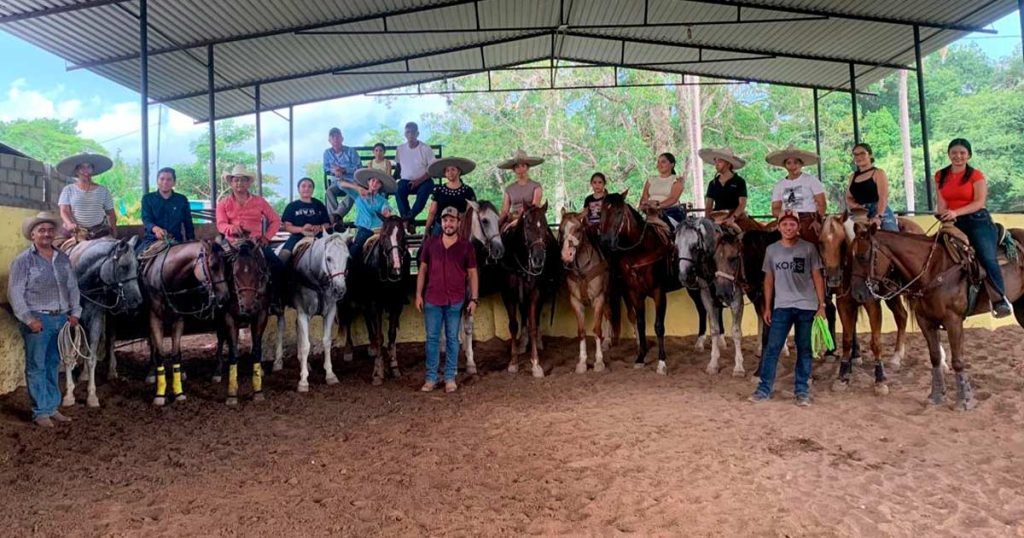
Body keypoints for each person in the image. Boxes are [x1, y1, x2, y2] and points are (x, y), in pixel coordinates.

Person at [8, 212, 81, 427]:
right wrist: (29, 319)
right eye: (41, 230)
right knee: (37, 365)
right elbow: (15, 293)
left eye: (50, 230)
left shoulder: (63, 258)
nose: (46, 234)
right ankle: (40, 411)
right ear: (32, 235)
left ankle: (51, 406)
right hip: (38, 320)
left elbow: (72, 287)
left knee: (53, 364)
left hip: (61, 319)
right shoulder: (23, 261)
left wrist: (75, 312)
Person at [750, 210, 826, 406]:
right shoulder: (772, 250)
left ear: (798, 227)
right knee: (772, 348)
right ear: (778, 226)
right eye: (784, 224)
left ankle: (802, 390)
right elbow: (769, 280)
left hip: (806, 306)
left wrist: (821, 304)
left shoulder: (809, 249)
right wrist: (767, 307)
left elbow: (818, 277)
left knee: (805, 348)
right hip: (782, 306)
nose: (788, 228)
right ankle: (763, 388)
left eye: (792, 224)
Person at [935, 138, 1013, 318]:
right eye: (954, 152)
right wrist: (943, 215)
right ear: (949, 154)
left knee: (987, 257)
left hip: (977, 220)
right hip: (952, 222)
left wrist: (955, 212)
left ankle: (1000, 300)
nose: (958, 156)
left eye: (962, 153)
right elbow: (941, 201)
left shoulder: (975, 175)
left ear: (968, 155)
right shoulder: (940, 175)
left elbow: (979, 202)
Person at [416, 206, 479, 393]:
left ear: (458, 223)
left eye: (452, 220)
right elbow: (422, 270)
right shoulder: (430, 244)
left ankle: (450, 377)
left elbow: (473, 274)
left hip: (456, 299)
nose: (448, 224)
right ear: (441, 222)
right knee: (432, 338)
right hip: (433, 299)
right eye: (445, 220)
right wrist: (419, 294)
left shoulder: (466, 246)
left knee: (453, 338)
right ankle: (431, 378)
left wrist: (474, 299)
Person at [215, 164, 284, 303]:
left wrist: (266, 237)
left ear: (248, 182)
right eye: (236, 180)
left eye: (243, 180)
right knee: (215, 266)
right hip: (232, 243)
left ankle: (276, 301)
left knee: (278, 266)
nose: (239, 183)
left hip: (255, 243)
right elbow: (221, 225)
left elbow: (276, 220)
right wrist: (232, 228)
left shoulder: (259, 201)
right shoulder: (223, 203)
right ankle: (218, 301)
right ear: (231, 182)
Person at [768, 144, 826, 242]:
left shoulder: (811, 180)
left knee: (811, 239)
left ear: (801, 164)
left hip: (808, 218)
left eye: (796, 162)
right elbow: (775, 208)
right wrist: (786, 216)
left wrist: (817, 220)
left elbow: (822, 203)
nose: (792, 166)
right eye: (789, 163)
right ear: (785, 165)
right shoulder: (780, 185)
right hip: (787, 218)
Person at [340, 168, 397, 263]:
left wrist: (386, 213)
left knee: (395, 246)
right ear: (368, 182)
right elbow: (341, 184)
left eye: (378, 182)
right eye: (373, 180)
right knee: (355, 250)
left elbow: (386, 209)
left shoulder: (382, 200)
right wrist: (357, 188)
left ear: (380, 186)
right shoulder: (358, 194)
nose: (375, 183)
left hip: (379, 230)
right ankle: (349, 270)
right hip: (364, 229)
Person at [56, 153, 117, 240]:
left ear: (93, 170)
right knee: (58, 245)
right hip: (75, 230)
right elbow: (64, 211)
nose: (86, 171)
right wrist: (69, 224)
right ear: (76, 171)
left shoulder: (103, 190)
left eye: (89, 167)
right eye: (82, 167)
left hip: (99, 230)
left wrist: (114, 229)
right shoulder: (68, 189)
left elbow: (111, 213)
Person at [138, 167, 195, 253]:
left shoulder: (181, 200)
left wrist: (191, 240)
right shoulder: (147, 199)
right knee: (134, 260)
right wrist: (155, 229)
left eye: (169, 179)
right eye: (162, 179)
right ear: (157, 181)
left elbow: (188, 223)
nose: (165, 182)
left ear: (174, 182)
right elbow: (146, 218)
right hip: (152, 241)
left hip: (176, 242)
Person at [395, 122, 437, 232]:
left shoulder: (425, 148)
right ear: (405, 134)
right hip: (406, 180)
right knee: (398, 189)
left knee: (427, 188)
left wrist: (418, 181)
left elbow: (432, 169)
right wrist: (390, 180)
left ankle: (407, 218)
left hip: (424, 180)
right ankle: (410, 222)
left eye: (413, 132)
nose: (410, 135)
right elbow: (398, 167)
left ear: (417, 133)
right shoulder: (400, 149)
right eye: (408, 132)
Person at [846, 143, 898, 232]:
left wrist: (878, 216)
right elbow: (848, 197)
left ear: (870, 155)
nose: (858, 157)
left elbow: (883, 197)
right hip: (859, 212)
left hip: (879, 210)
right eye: (855, 154)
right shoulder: (852, 176)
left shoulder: (878, 173)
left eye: (862, 153)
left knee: (891, 235)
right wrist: (857, 207)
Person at [280, 177, 331, 263]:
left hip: (319, 235)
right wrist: (302, 229)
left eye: (310, 186)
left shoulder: (319, 204)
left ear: (313, 189)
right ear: (298, 189)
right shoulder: (292, 206)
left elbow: (327, 224)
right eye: (303, 186)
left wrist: (319, 227)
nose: (306, 188)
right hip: (298, 236)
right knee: (283, 256)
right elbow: (287, 227)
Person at [423, 157, 477, 237]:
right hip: (440, 225)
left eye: (453, 169)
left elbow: (470, 212)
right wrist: (427, 229)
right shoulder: (439, 190)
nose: (450, 172)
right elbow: (432, 212)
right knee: (430, 246)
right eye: (447, 170)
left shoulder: (468, 191)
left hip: (460, 227)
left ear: (459, 171)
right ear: (445, 174)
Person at [699, 147, 749, 225]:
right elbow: (709, 205)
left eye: (720, 161)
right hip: (717, 217)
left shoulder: (739, 181)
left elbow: (742, 204)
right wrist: (707, 220)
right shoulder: (712, 183)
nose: (716, 164)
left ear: (728, 164)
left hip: (736, 218)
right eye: (715, 161)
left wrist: (733, 218)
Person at [323, 127, 361, 223]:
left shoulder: (350, 151)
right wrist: (334, 170)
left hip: (350, 181)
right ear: (329, 140)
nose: (335, 139)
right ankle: (335, 221)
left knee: (355, 192)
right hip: (336, 181)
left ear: (342, 139)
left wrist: (344, 170)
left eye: (337, 137)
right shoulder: (327, 153)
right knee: (329, 192)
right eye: (333, 137)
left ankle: (337, 216)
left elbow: (358, 167)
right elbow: (326, 168)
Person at [497, 149, 545, 223]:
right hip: (513, 218)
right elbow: (505, 210)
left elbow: (535, 205)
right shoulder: (509, 189)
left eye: (523, 166)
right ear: (514, 169)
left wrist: (523, 211)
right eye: (517, 167)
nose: (520, 169)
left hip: (531, 219)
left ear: (527, 167)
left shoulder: (536, 186)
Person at [639, 152, 686, 225]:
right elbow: (644, 197)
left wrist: (657, 206)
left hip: (670, 212)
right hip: (651, 212)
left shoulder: (677, 180)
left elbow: (673, 199)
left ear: (672, 164)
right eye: (658, 162)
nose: (659, 165)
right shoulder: (651, 180)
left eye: (663, 162)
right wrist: (644, 205)